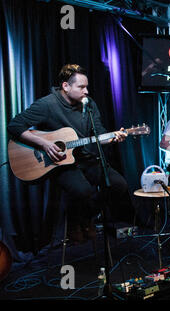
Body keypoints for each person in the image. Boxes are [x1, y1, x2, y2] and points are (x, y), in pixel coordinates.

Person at [7, 64, 134, 243]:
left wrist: (113, 137)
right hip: (59, 162)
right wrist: (44, 144)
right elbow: (14, 126)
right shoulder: (47, 104)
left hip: (86, 158)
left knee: (118, 185)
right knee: (84, 191)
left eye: (87, 86)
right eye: (81, 87)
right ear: (66, 86)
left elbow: (98, 133)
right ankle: (76, 219)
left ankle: (85, 217)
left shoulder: (88, 105)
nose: (86, 91)